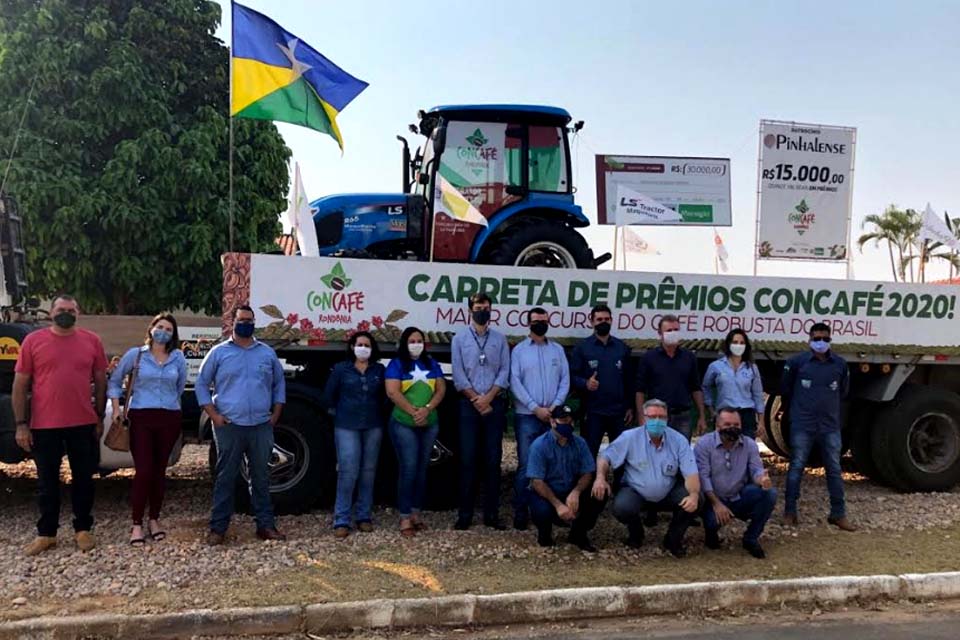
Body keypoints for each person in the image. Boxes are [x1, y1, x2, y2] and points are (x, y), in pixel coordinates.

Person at [12, 295, 108, 556]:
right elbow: (20, 384)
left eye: (71, 310)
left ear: (78, 313)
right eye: (61, 309)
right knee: (47, 482)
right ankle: (47, 533)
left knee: (84, 479)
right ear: (51, 313)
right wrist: (21, 424)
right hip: (44, 425)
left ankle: (83, 529)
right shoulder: (33, 341)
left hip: (83, 422)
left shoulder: (92, 341)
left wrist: (99, 416)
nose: (66, 313)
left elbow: (100, 381)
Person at [196, 305, 287, 545]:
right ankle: (218, 528)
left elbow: (279, 384)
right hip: (230, 425)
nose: (246, 323)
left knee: (261, 477)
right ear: (233, 322)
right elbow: (202, 384)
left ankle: (265, 526)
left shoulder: (266, 353)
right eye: (242, 319)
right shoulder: (218, 353)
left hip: (260, 425)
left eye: (250, 319)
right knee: (226, 477)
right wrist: (214, 416)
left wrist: (276, 411)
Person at [108, 313, 188, 546]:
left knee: (159, 471)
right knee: (143, 471)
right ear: (152, 329)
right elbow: (115, 382)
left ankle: (154, 519)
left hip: (169, 418)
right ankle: (136, 524)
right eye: (160, 326)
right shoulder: (136, 356)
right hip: (141, 417)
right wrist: (116, 408)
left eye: (169, 329)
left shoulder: (178, 358)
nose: (164, 331)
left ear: (173, 335)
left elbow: (180, 386)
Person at [593, 399, 700, 557]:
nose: (656, 421)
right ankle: (636, 533)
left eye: (661, 417)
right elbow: (605, 457)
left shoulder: (678, 440)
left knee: (698, 499)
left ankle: (673, 539)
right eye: (652, 417)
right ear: (643, 418)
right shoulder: (629, 437)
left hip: (668, 492)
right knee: (622, 507)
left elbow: (691, 473)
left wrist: (694, 495)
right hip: (636, 491)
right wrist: (600, 478)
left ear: (667, 419)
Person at [781, 322, 855, 531]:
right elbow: (786, 389)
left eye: (824, 338)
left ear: (830, 340)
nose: (820, 342)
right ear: (809, 340)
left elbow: (843, 392)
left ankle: (838, 514)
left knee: (834, 469)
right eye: (816, 338)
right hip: (803, 424)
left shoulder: (840, 364)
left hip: (830, 426)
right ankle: (789, 512)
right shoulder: (797, 362)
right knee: (796, 467)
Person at [451, 293, 510, 530]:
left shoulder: (500, 339)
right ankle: (465, 514)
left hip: (493, 404)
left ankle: (491, 514)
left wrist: (489, 398)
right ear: (469, 310)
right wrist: (476, 399)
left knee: (493, 461)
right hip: (469, 405)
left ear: (491, 310)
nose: (482, 311)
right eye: (478, 307)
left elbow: (505, 371)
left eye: (486, 307)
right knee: (468, 460)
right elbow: (458, 373)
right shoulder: (460, 339)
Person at [509, 307, 570, 530]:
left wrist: (553, 408)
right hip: (527, 416)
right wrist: (535, 408)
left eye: (543, 320)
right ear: (529, 323)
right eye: (536, 321)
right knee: (526, 465)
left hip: (552, 417)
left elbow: (565, 380)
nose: (540, 324)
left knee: (551, 465)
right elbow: (515, 382)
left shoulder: (557, 350)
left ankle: (548, 510)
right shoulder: (519, 351)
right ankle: (521, 510)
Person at [323, 331, 386, 538]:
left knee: (368, 471)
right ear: (352, 347)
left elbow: (385, 397)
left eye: (367, 345)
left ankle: (363, 516)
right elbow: (328, 396)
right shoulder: (341, 369)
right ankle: (341, 519)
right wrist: (338, 415)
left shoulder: (379, 369)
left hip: (373, 426)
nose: (363, 348)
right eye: (359, 344)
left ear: (372, 348)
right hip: (346, 426)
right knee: (348, 471)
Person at [385, 327, 447, 537]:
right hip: (404, 423)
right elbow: (392, 391)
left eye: (419, 340)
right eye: (412, 340)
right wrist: (413, 412)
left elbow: (441, 389)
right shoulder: (396, 364)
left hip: (429, 423)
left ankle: (416, 514)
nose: (416, 344)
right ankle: (404, 517)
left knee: (422, 469)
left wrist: (427, 410)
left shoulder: (431, 363)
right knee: (409, 468)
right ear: (405, 343)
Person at [694, 407, 777, 559]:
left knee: (769, 494)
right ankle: (711, 532)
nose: (732, 428)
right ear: (717, 426)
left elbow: (756, 470)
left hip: (738, 495)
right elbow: (703, 478)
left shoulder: (749, 444)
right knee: (712, 522)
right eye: (727, 424)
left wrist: (762, 479)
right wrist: (717, 504)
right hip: (712, 499)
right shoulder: (704, 445)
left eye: (736, 425)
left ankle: (751, 538)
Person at [527, 405, 605, 552]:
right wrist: (558, 505)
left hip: (571, 489)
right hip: (548, 492)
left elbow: (588, 472)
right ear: (552, 422)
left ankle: (578, 534)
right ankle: (545, 535)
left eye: (571, 421)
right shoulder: (539, 445)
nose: (568, 424)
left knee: (600, 494)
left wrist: (576, 492)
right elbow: (537, 481)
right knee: (541, 510)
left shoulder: (580, 443)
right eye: (563, 420)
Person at [570, 304, 634, 460]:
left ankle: (619, 485)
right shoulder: (582, 348)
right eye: (599, 319)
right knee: (589, 456)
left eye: (606, 319)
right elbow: (571, 377)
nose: (603, 322)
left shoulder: (622, 348)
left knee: (620, 456)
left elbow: (629, 380)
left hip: (618, 413)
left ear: (612, 321)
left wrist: (629, 406)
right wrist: (585, 383)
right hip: (592, 412)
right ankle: (589, 484)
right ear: (591, 322)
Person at [635, 315, 707, 441]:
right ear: (660, 333)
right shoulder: (649, 358)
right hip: (656, 417)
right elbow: (639, 390)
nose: (673, 333)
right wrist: (641, 417)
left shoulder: (689, 357)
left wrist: (702, 415)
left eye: (676, 330)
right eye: (669, 331)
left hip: (683, 416)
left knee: (681, 454)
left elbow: (696, 388)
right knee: (656, 452)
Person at [701, 329, 765, 440]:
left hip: (746, 415)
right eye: (735, 342)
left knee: (746, 451)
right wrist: (711, 410)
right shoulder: (716, 366)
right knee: (722, 449)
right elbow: (705, 387)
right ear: (728, 344)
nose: (738, 345)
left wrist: (761, 421)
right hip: (724, 414)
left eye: (741, 343)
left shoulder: (752, 368)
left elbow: (758, 394)